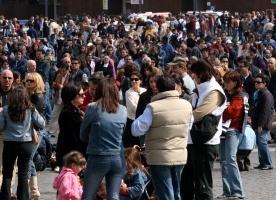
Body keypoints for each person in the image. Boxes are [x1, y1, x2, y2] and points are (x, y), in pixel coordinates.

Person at [131, 75, 193, 200]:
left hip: (159, 157)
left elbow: (136, 130)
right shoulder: (186, 105)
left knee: (165, 193)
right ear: (175, 87)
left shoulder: (153, 107)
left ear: (157, 89)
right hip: (179, 154)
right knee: (176, 192)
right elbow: (189, 126)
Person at [80, 77, 127, 199]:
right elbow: (122, 133)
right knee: (114, 196)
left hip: (98, 155)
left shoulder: (92, 107)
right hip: (118, 157)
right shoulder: (123, 110)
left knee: (88, 196)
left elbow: (82, 135)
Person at [186, 60, 226, 200]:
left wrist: (183, 117)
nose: (192, 76)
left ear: (201, 74)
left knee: (203, 185)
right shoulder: (199, 89)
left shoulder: (214, 91)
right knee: (188, 182)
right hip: (192, 139)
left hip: (206, 141)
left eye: (194, 73)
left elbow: (199, 113)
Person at [0, 86, 45, 200]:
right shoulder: (30, 109)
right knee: (23, 173)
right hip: (26, 143)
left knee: (7, 173)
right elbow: (42, 123)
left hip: (10, 143)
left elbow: (0, 126)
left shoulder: (6, 109)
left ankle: (5, 197)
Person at [217, 70, 246, 199]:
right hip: (224, 130)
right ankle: (227, 191)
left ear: (235, 82)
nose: (225, 84)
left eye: (228, 82)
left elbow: (231, 112)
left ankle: (237, 192)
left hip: (232, 130)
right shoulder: (228, 95)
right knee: (223, 162)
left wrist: (219, 110)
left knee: (231, 160)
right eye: (225, 82)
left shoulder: (240, 95)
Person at [55, 83, 87, 172]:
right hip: (71, 157)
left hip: (77, 154)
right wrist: (81, 157)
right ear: (72, 97)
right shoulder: (67, 113)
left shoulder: (76, 111)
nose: (84, 96)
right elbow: (71, 139)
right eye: (80, 94)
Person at [24, 72, 46, 199]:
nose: (28, 83)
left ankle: (27, 189)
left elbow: (36, 117)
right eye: (26, 80)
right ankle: (34, 191)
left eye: (31, 81)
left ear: (37, 82)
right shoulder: (30, 95)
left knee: (28, 159)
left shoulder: (38, 97)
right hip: (31, 130)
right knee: (30, 159)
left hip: (35, 131)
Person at [252, 73, 274, 170]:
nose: (256, 84)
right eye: (255, 82)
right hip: (258, 122)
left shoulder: (266, 95)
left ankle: (267, 163)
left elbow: (265, 111)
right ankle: (262, 162)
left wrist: (261, 125)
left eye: (258, 82)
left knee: (262, 142)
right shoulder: (260, 93)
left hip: (263, 124)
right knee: (260, 143)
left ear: (264, 83)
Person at [123, 71, 146, 148]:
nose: (133, 81)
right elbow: (134, 108)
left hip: (143, 119)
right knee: (134, 144)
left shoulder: (144, 91)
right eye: (132, 79)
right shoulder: (128, 93)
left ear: (140, 81)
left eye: (136, 79)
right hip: (132, 120)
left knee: (143, 143)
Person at [47, 63, 69, 136]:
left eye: (64, 71)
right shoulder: (58, 76)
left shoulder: (70, 77)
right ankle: (51, 131)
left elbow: (70, 87)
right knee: (54, 114)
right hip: (58, 97)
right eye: (61, 71)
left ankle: (64, 131)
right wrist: (56, 85)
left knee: (65, 116)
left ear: (67, 70)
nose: (62, 72)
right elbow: (55, 84)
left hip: (66, 99)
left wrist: (63, 87)